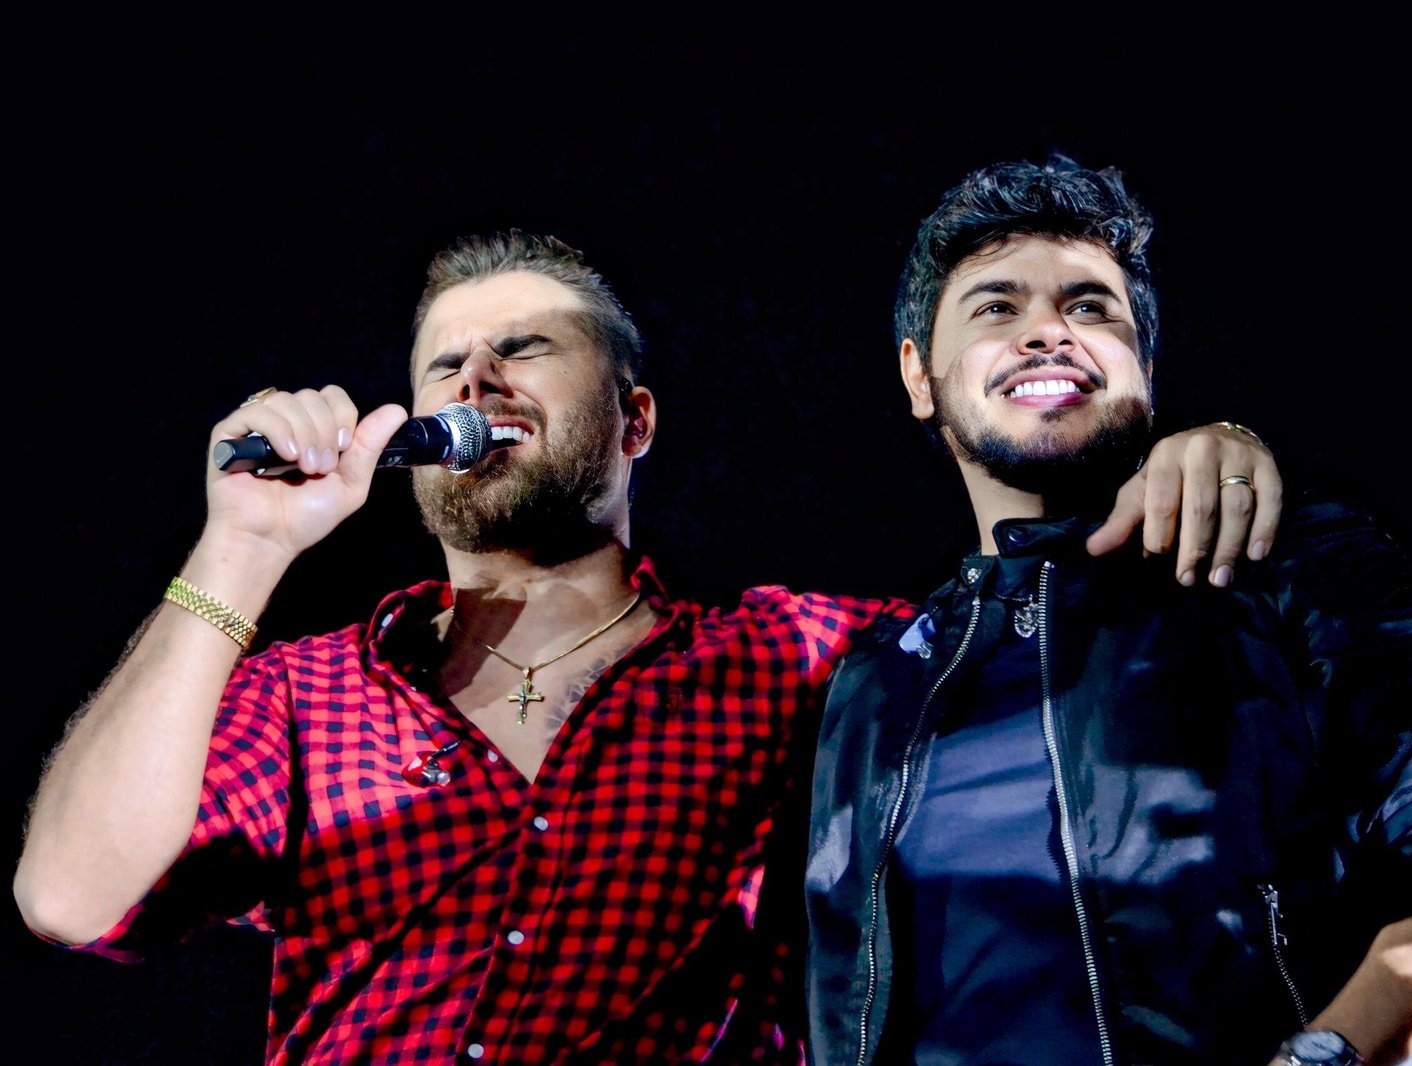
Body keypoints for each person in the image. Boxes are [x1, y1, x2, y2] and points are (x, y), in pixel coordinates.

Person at [12, 228, 1285, 1064]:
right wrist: (240, 544)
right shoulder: (306, 691)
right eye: (445, 364)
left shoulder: (795, 657)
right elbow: (72, 897)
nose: (476, 380)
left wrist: (1198, 449)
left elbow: (1062, 655)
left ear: (635, 420)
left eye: (524, 348)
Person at [803, 152, 1412, 1066]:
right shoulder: (866, 682)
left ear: (1144, 366)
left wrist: (1324, 1057)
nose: (1048, 333)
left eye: (1091, 307)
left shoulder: (1285, 564)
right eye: (997, 308)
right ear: (919, 376)